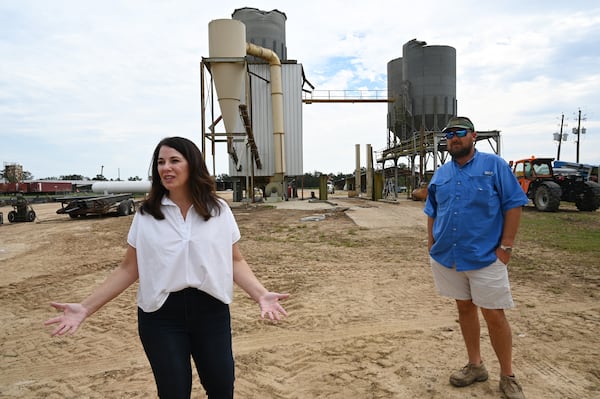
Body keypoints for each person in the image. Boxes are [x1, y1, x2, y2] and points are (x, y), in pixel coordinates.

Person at [45, 136, 289, 398]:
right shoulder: (147, 214)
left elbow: (235, 260)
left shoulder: (218, 210)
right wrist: (85, 307)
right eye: (161, 162)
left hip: (211, 312)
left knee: (221, 388)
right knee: (173, 392)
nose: (166, 168)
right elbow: (129, 268)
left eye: (174, 161)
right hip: (160, 316)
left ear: (192, 165)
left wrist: (261, 294)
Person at [424, 117, 529, 399]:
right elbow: (431, 210)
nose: (453, 138)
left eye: (459, 133)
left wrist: (505, 248)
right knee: (464, 309)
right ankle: (475, 365)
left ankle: (508, 375)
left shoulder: (494, 166)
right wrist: (431, 243)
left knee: (494, 314)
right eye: (448, 135)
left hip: (485, 256)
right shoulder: (441, 174)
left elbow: (514, 204)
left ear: (473, 136)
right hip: (448, 257)